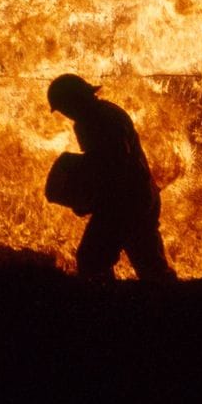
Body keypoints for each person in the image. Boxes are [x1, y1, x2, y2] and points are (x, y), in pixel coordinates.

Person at [47, 74, 174, 282]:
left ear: (74, 100)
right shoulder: (102, 113)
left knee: (91, 260)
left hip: (124, 203)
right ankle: (168, 297)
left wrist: (89, 199)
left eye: (64, 107)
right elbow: (105, 163)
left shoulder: (97, 120)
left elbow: (114, 165)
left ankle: (106, 300)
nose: (65, 113)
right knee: (151, 265)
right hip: (141, 196)